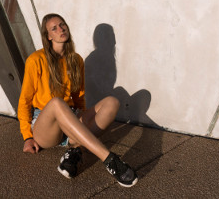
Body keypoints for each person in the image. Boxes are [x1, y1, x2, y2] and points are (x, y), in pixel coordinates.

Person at [17, 13, 138, 188]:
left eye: (62, 24)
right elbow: (24, 101)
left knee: (113, 102)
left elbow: (78, 97)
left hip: (70, 118)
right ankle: (109, 160)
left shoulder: (76, 59)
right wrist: (27, 137)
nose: (61, 29)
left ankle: (74, 150)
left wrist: (81, 119)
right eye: (54, 28)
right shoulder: (36, 60)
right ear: (48, 36)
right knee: (57, 102)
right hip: (45, 125)